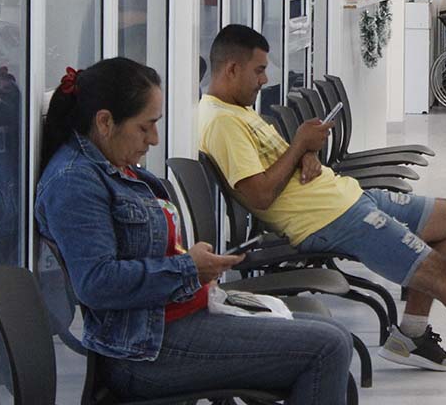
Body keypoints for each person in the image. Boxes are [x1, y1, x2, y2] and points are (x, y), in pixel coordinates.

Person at [199, 26, 446, 385]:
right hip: (330, 219)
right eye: (258, 71)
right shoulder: (221, 122)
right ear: (231, 69)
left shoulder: (239, 111)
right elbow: (259, 195)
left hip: (346, 196)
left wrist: (305, 153)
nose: (265, 80)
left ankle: (411, 335)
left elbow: (274, 162)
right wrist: (300, 146)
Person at [36, 58, 354, 404]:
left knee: (335, 334)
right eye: (145, 127)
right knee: (328, 347)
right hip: (144, 352)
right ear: (105, 122)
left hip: (170, 324)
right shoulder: (74, 182)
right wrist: (188, 268)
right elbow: (97, 283)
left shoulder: (112, 165)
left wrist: (193, 268)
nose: (154, 139)